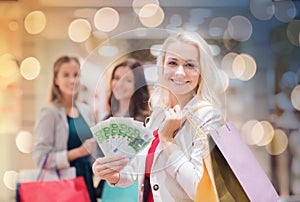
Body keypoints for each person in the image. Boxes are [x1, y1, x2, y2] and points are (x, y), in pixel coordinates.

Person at [92, 32, 224, 202]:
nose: (180, 72)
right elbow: (136, 171)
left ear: (201, 71)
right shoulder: (159, 114)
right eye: (172, 63)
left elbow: (199, 189)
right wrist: (112, 174)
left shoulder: (207, 117)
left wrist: (167, 140)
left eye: (190, 65)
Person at [33, 56, 98, 202]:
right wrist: (78, 152)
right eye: (66, 75)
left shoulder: (86, 110)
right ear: (56, 80)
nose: (72, 80)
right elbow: (40, 158)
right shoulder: (49, 112)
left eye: (76, 75)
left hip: (86, 180)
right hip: (62, 186)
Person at [98, 58, 150, 201]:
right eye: (116, 78)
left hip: (134, 186)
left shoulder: (147, 121)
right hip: (110, 186)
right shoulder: (106, 119)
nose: (119, 83)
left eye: (127, 80)